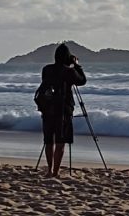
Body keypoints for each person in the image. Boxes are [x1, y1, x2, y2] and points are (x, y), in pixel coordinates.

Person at [39, 42, 86, 178]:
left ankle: (49, 170)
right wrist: (76, 65)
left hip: (47, 108)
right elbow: (82, 81)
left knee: (48, 141)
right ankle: (55, 172)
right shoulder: (69, 71)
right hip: (63, 109)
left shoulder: (46, 69)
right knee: (60, 141)